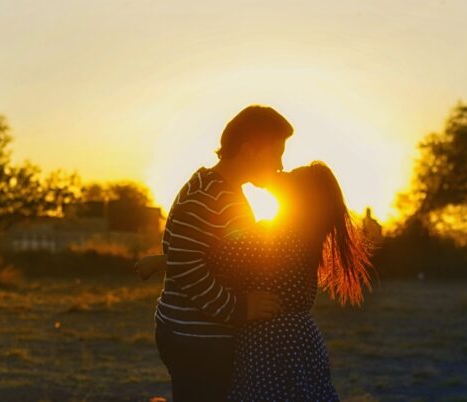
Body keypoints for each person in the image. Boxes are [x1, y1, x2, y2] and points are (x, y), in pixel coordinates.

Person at [146, 105, 293, 402]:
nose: (280, 164)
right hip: (197, 337)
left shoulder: (220, 189)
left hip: (195, 333)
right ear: (250, 149)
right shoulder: (208, 194)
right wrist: (241, 309)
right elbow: (188, 267)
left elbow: (211, 252)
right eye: (276, 153)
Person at [208, 161, 373, 401]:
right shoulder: (301, 235)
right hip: (297, 340)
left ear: (297, 196)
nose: (281, 171)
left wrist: (164, 260)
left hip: (274, 345)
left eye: (291, 175)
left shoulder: (280, 235)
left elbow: (217, 259)